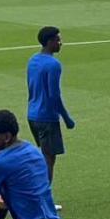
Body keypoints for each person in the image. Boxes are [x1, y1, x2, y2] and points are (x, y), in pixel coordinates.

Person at [26, 26, 76, 189]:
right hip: (46, 117)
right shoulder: (53, 64)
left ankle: (39, 192)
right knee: (49, 159)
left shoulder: (33, 60)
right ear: (50, 42)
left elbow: (30, 87)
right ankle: (43, 197)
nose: (61, 43)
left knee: (44, 156)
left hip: (32, 114)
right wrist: (67, 118)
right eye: (58, 40)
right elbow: (54, 95)